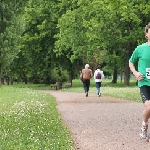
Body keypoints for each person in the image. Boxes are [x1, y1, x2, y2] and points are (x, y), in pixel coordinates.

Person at [129, 22, 150, 141]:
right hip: (144, 83)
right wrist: (136, 73)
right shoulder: (140, 49)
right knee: (149, 107)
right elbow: (131, 62)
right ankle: (144, 125)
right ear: (146, 34)